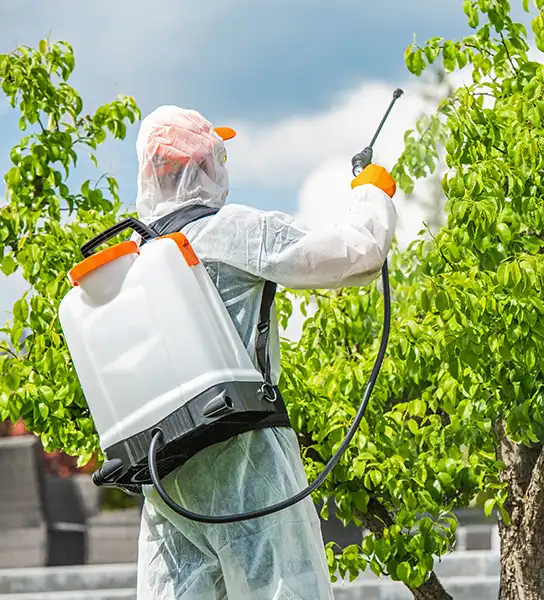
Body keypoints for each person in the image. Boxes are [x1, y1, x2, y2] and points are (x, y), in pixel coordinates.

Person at [131, 105, 398, 600]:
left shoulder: (132, 254)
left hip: (166, 476)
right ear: (203, 167)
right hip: (246, 460)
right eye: (219, 156)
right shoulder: (231, 230)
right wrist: (372, 193)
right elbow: (354, 254)